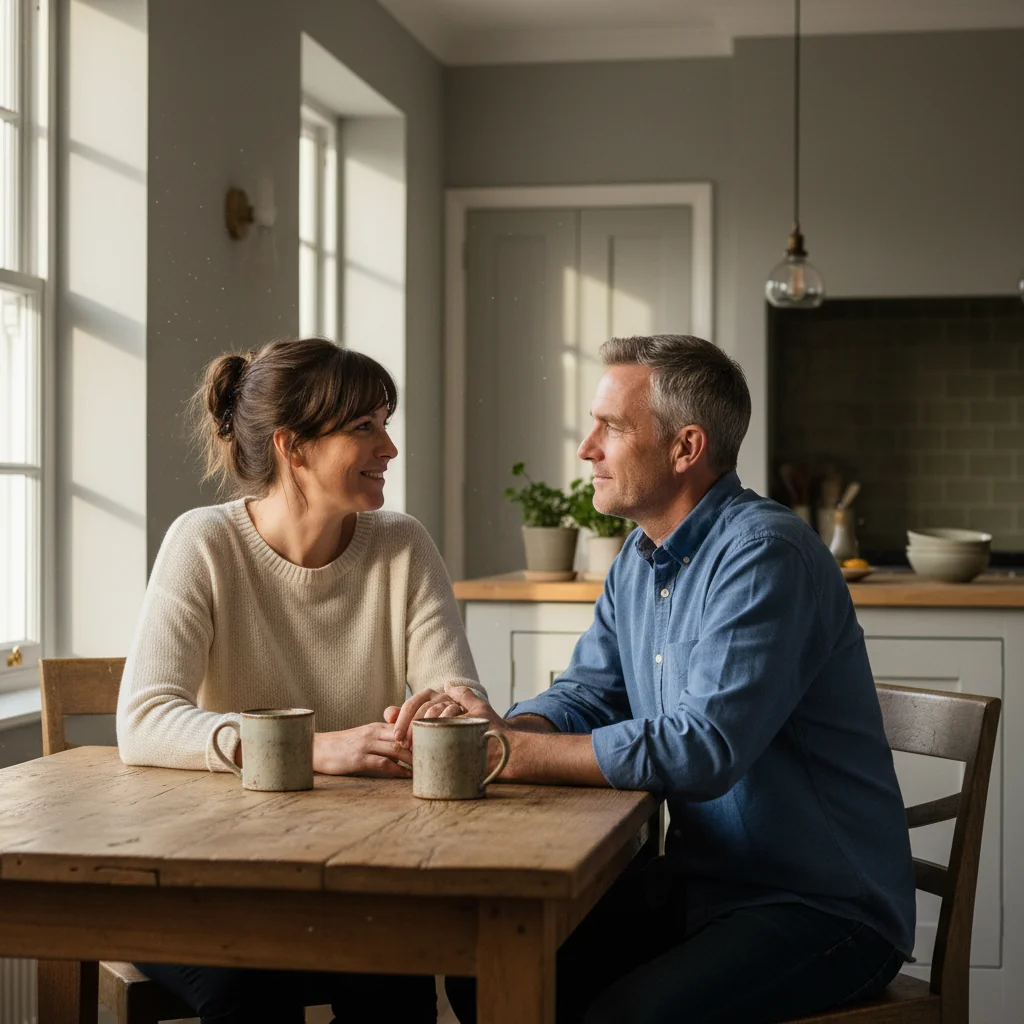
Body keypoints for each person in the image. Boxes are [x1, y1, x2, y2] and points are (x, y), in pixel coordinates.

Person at [420, 335, 915, 1024]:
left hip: (821, 905)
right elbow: (589, 692)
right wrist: (505, 729)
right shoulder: (638, 557)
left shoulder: (763, 555)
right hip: (705, 883)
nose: (586, 447)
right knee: (489, 973)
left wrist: (509, 753)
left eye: (611, 428)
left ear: (685, 449)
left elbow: (703, 748)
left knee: (627, 1016)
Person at [117, 337, 479, 1023]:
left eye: (385, 424)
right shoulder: (204, 543)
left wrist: (444, 713)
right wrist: (310, 748)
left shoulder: (403, 544)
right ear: (295, 447)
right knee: (249, 993)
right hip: (209, 880)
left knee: (398, 990)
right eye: (365, 428)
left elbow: (459, 692)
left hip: (362, 878)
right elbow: (143, 720)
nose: (390, 449)